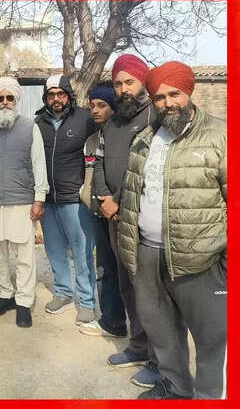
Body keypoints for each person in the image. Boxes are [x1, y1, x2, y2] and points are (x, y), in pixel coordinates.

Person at [118, 61, 227, 399]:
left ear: (189, 92)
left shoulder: (220, 136)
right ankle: (176, 387)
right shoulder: (145, 140)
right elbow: (133, 196)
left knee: (212, 338)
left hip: (202, 259)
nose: (168, 103)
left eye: (174, 94)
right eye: (159, 97)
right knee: (161, 329)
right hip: (148, 254)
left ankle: (210, 397)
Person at [93, 54, 160, 388]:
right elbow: (99, 163)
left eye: (129, 82)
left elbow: (150, 170)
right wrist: (105, 198)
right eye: (118, 84)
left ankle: (160, 361)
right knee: (127, 286)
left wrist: (119, 200)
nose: (123, 89)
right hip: (114, 218)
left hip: (143, 220)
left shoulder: (156, 119)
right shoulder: (113, 124)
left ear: (143, 82)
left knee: (150, 292)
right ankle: (137, 346)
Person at [0, 77, 49, 327]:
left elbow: (39, 165)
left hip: (21, 201)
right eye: (0, 98)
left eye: (9, 97)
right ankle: (5, 294)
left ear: (16, 99)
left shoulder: (29, 127)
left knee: (24, 254)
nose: (4, 102)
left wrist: (39, 198)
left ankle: (23, 301)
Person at [34, 74, 97, 325]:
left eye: (60, 94)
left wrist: (88, 188)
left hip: (75, 200)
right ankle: (63, 293)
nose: (56, 99)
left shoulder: (85, 119)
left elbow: (97, 152)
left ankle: (87, 302)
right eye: (51, 95)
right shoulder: (39, 123)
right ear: (46, 97)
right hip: (48, 199)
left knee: (82, 253)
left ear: (68, 95)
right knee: (55, 250)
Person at [77, 85, 129, 338]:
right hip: (98, 212)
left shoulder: (125, 136)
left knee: (126, 271)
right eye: (92, 105)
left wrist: (115, 202)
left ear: (113, 107)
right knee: (105, 268)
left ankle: (140, 329)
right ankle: (112, 321)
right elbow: (91, 175)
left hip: (120, 213)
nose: (95, 110)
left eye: (102, 105)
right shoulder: (91, 141)